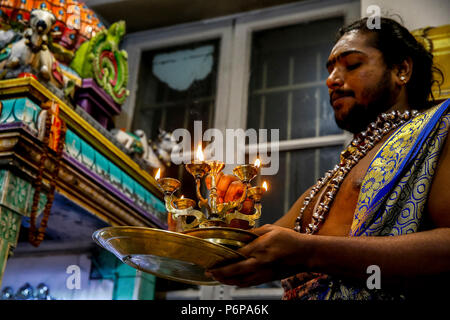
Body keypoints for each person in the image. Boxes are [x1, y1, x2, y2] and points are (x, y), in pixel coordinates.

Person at [204, 17, 450, 300]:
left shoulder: (440, 128)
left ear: (401, 69)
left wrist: (310, 251)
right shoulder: (332, 179)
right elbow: (252, 254)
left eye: (353, 64)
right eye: (330, 69)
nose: (331, 80)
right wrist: (227, 221)